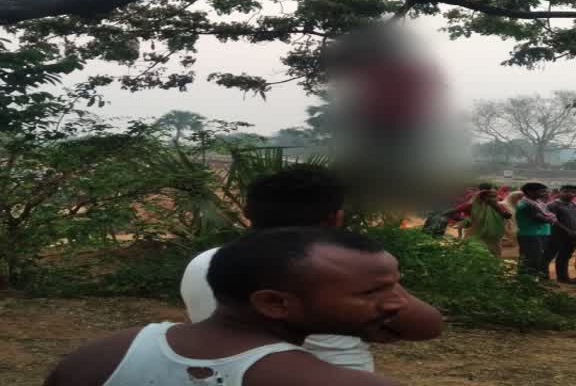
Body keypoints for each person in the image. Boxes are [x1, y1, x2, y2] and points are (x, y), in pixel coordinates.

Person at [44, 228, 412, 386]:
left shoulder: (96, 359)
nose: (397, 302)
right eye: (372, 292)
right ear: (274, 303)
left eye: (395, 284)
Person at [180, 165, 442, 372]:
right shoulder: (341, 273)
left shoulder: (204, 262)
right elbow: (426, 325)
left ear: (248, 212)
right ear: (335, 218)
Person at [516, 183, 576, 278]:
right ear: (530, 192)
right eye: (541, 191)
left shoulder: (536, 203)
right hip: (530, 235)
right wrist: (551, 218)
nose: (544, 193)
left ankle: (533, 280)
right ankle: (526, 281)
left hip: (538, 234)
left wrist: (550, 218)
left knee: (537, 258)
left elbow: (548, 217)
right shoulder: (526, 204)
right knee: (531, 259)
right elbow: (542, 219)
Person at [543, 185, 576, 283]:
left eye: (573, 192)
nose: (570, 194)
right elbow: (554, 221)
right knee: (548, 256)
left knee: (565, 257)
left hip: (573, 236)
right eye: (566, 191)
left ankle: (563, 277)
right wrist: (568, 231)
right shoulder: (553, 205)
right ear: (560, 192)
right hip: (555, 235)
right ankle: (544, 278)